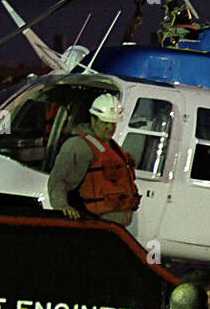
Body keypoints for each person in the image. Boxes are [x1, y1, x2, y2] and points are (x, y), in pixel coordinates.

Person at [46, 92, 140, 227]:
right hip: (91, 225)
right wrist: (61, 206)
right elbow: (58, 180)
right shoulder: (79, 146)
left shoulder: (111, 146)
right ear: (93, 119)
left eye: (113, 123)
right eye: (105, 123)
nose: (110, 128)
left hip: (112, 229)